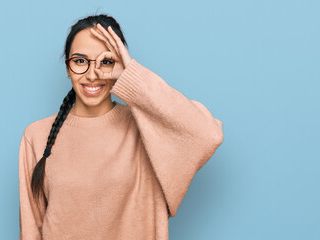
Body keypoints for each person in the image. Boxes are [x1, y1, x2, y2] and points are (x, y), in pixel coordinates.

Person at [18, 13, 224, 240]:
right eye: (80, 61)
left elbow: (207, 134)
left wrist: (132, 75)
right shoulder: (37, 136)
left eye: (106, 62)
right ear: (67, 67)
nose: (92, 73)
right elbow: (31, 231)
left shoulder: (147, 127)